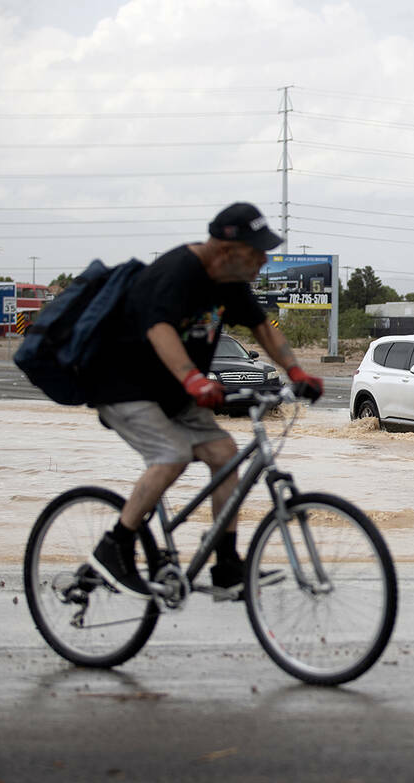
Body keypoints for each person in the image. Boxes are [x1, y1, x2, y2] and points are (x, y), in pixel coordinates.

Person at [83, 202, 324, 599]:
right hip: (123, 387)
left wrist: (295, 371)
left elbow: (261, 326)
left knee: (225, 452)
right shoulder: (178, 271)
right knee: (173, 454)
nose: (264, 260)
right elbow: (159, 329)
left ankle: (226, 566)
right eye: (257, 251)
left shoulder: (230, 280)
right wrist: (193, 378)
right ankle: (114, 548)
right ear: (227, 249)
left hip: (172, 394)